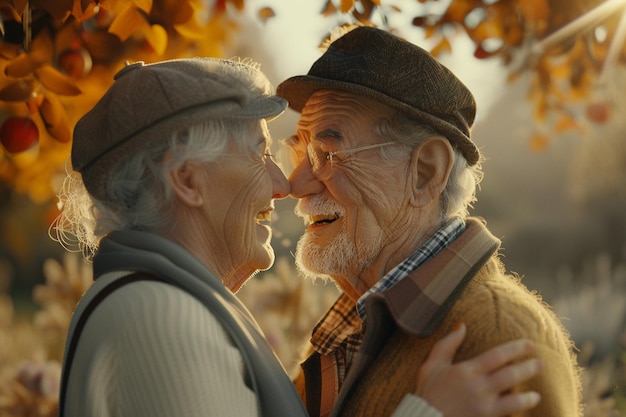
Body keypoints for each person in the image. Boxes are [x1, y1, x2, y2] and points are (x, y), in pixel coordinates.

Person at [52, 57, 542, 417]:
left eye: (327, 154)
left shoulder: (494, 338)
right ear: (187, 181)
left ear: (425, 172)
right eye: (260, 153)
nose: (284, 184)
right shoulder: (162, 316)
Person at [277, 25, 583, 417]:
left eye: (325, 153)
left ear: (425, 172)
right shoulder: (352, 324)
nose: (296, 184)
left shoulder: (501, 342)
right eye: (297, 153)